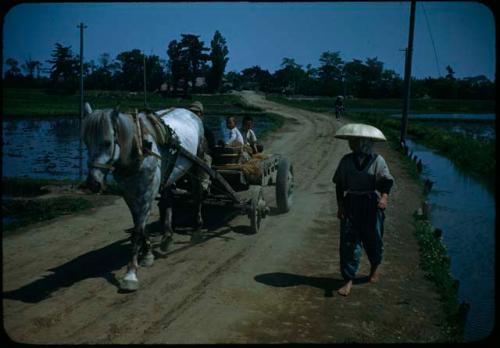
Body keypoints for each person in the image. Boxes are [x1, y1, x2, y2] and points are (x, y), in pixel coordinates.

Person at [332, 123, 394, 296]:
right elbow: (339, 185)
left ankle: (375, 267)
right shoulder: (346, 161)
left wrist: (384, 197)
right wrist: (340, 206)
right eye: (354, 142)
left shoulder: (377, 160)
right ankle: (348, 278)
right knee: (349, 241)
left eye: (359, 142)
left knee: (373, 237)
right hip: (351, 202)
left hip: (370, 204)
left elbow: (386, 181)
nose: (356, 145)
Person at [188, 101, 214, 192]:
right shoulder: (186, 128)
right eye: (191, 112)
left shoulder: (206, 129)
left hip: (203, 155)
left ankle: (204, 186)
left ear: (201, 114)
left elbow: (212, 146)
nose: (193, 114)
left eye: (196, 112)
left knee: (206, 160)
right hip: (190, 155)